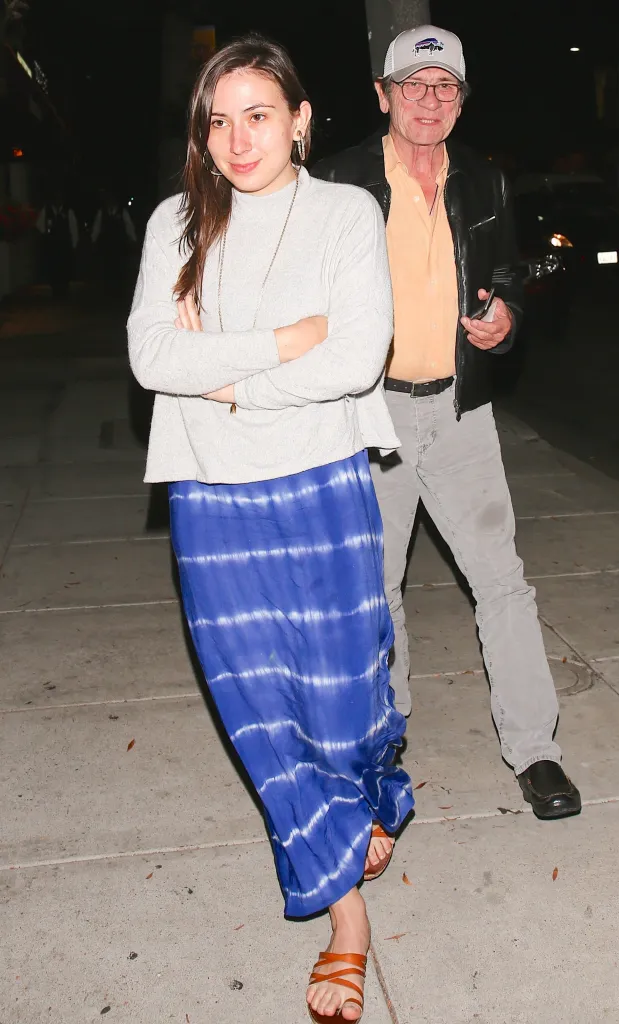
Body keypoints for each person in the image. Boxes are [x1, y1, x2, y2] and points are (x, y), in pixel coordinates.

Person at [127, 34, 413, 1022]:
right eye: (217, 120)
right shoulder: (176, 222)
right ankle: (346, 920)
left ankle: (371, 787)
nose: (236, 139)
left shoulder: (343, 210)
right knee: (259, 709)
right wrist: (281, 344)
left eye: (258, 115)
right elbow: (150, 355)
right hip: (211, 493)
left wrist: (230, 378)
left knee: (342, 699)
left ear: (299, 118)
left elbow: (354, 357)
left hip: (322, 480)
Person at [313, 24, 581, 821]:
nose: (429, 102)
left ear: (460, 100)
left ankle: (536, 751)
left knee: (501, 582)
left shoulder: (486, 182)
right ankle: (384, 741)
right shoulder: (337, 183)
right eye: (412, 86)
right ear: (381, 94)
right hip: (376, 413)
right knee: (379, 590)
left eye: (444, 88)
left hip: (462, 411)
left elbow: (503, 275)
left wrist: (507, 315)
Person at [35, 191, 79, 299]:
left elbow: (74, 230)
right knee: (53, 268)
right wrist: (46, 235)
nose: (58, 201)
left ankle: (64, 290)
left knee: (65, 269)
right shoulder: (47, 210)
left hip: (64, 246)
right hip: (52, 246)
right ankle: (56, 290)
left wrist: (73, 245)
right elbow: (39, 226)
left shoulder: (68, 212)